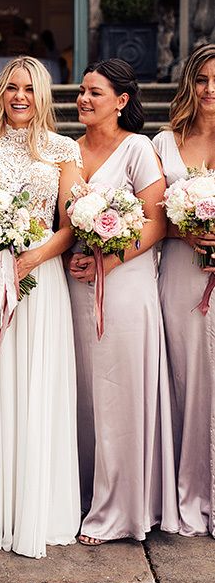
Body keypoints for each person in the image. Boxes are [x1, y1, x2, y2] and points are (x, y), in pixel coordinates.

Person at [0, 56, 81, 559]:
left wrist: (32, 257)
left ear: (42, 94)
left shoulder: (63, 149)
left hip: (40, 281)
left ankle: (38, 511)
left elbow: (68, 225)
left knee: (36, 387)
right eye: (11, 88)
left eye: (29, 88)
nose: (19, 96)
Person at [68, 58, 178, 545]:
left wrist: (106, 264)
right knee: (85, 397)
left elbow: (156, 222)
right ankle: (84, 494)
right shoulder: (67, 151)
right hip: (75, 289)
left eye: (95, 92)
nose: (84, 100)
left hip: (126, 285)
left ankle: (121, 509)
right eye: (82, 92)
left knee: (120, 393)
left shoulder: (137, 149)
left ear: (122, 100)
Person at [153, 43, 215, 537]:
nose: (211, 89)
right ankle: (186, 491)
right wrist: (184, 230)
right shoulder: (163, 144)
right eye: (202, 79)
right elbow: (148, 220)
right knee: (185, 378)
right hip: (179, 273)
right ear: (188, 84)